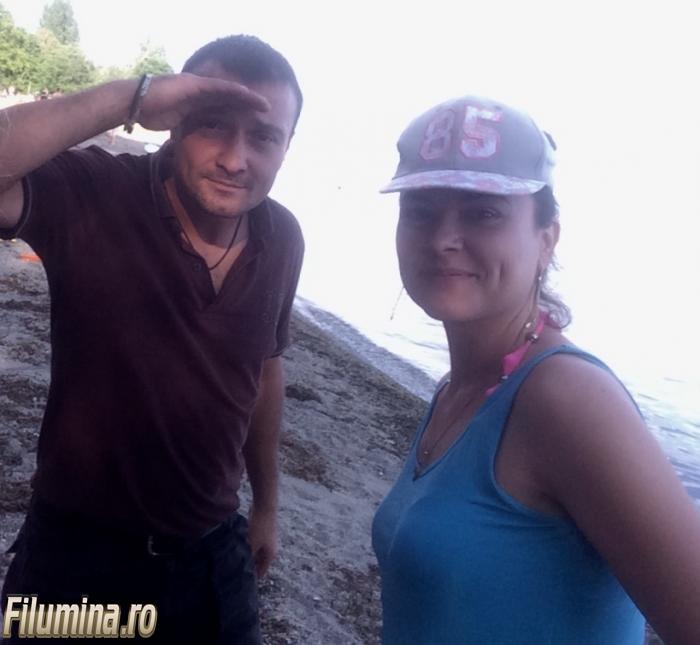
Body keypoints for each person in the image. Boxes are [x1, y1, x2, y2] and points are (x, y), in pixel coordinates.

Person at [0, 34, 304, 643]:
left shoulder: (283, 237)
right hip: (74, 556)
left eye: (264, 137)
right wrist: (132, 97)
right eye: (212, 124)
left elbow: (263, 372)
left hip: (211, 558)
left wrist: (267, 507)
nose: (235, 159)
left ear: (287, 146)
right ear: (174, 121)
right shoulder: (96, 193)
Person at [371, 95, 700, 644]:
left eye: (483, 212)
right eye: (420, 210)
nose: (442, 239)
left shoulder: (569, 398)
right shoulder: (459, 389)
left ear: (547, 239)